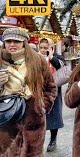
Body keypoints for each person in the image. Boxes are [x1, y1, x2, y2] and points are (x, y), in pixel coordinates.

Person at [0, 27, 57, 156]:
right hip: (5, 123)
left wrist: (42, 106)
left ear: (24, 42)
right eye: (9, 41)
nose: (12, 44)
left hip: (33, 122)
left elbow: (51, 87)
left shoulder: (37, 61)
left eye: (16, 41)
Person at [38, 38, 66, 152]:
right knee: (39, 116)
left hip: (54, 92)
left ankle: (53, 140)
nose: (43, 50)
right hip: (39, 91)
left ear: (52, 47)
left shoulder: (57, 58)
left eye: (46, 47)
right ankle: (39, 140)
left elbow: (60, 67)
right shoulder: (35, 57)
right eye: (41, 47)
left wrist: (51, 56)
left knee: (54, 116)